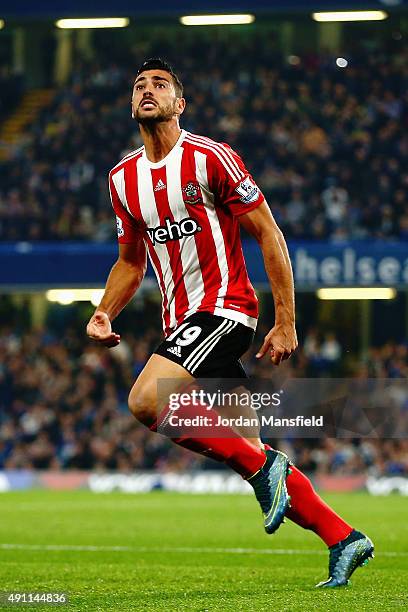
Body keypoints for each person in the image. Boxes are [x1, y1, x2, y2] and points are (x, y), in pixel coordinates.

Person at [86, 58, 374, 587]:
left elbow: (269, 234)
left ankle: (268, 473)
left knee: (147, 399)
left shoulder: (210, 158)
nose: (147, 91)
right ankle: (344, 538)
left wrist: (286, 321)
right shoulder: (122, 179)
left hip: (225, 310)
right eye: (139, 86)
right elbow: (130, 261)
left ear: (180, 103)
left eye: (160, 85)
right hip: (182, 324)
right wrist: (104, 311)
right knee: (251, 451)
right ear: (130, 105)